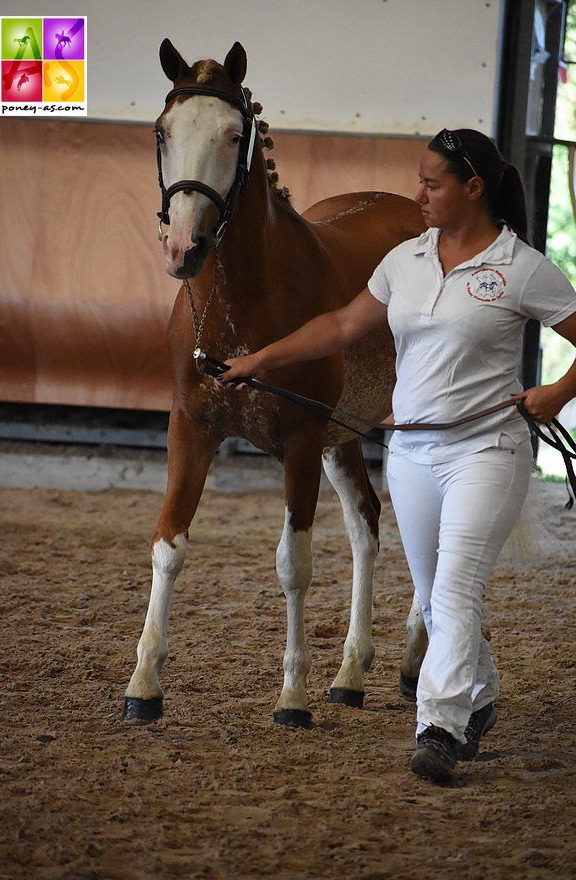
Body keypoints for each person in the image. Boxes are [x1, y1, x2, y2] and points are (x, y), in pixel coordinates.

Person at [217, 128, 576, 785]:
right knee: (439, 603)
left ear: (473, 189)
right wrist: (259, 359)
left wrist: (555, 391)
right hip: (409, 451)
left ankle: (438, 727)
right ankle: (478, 690)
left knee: (454, 589)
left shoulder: (519, 266)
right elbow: (340, 326)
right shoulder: (403, 261)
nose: (418, 195)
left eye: (431, 184)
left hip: (486, 450)